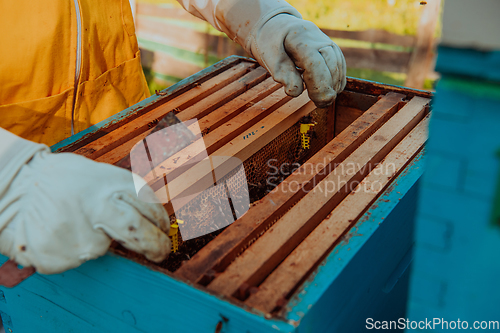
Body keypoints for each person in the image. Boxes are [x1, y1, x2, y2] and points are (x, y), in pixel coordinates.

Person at [0, 0, 346, 276]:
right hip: (23, 199)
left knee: (193, 245)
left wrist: (257, 12)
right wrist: (12, 180)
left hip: (129, 130)